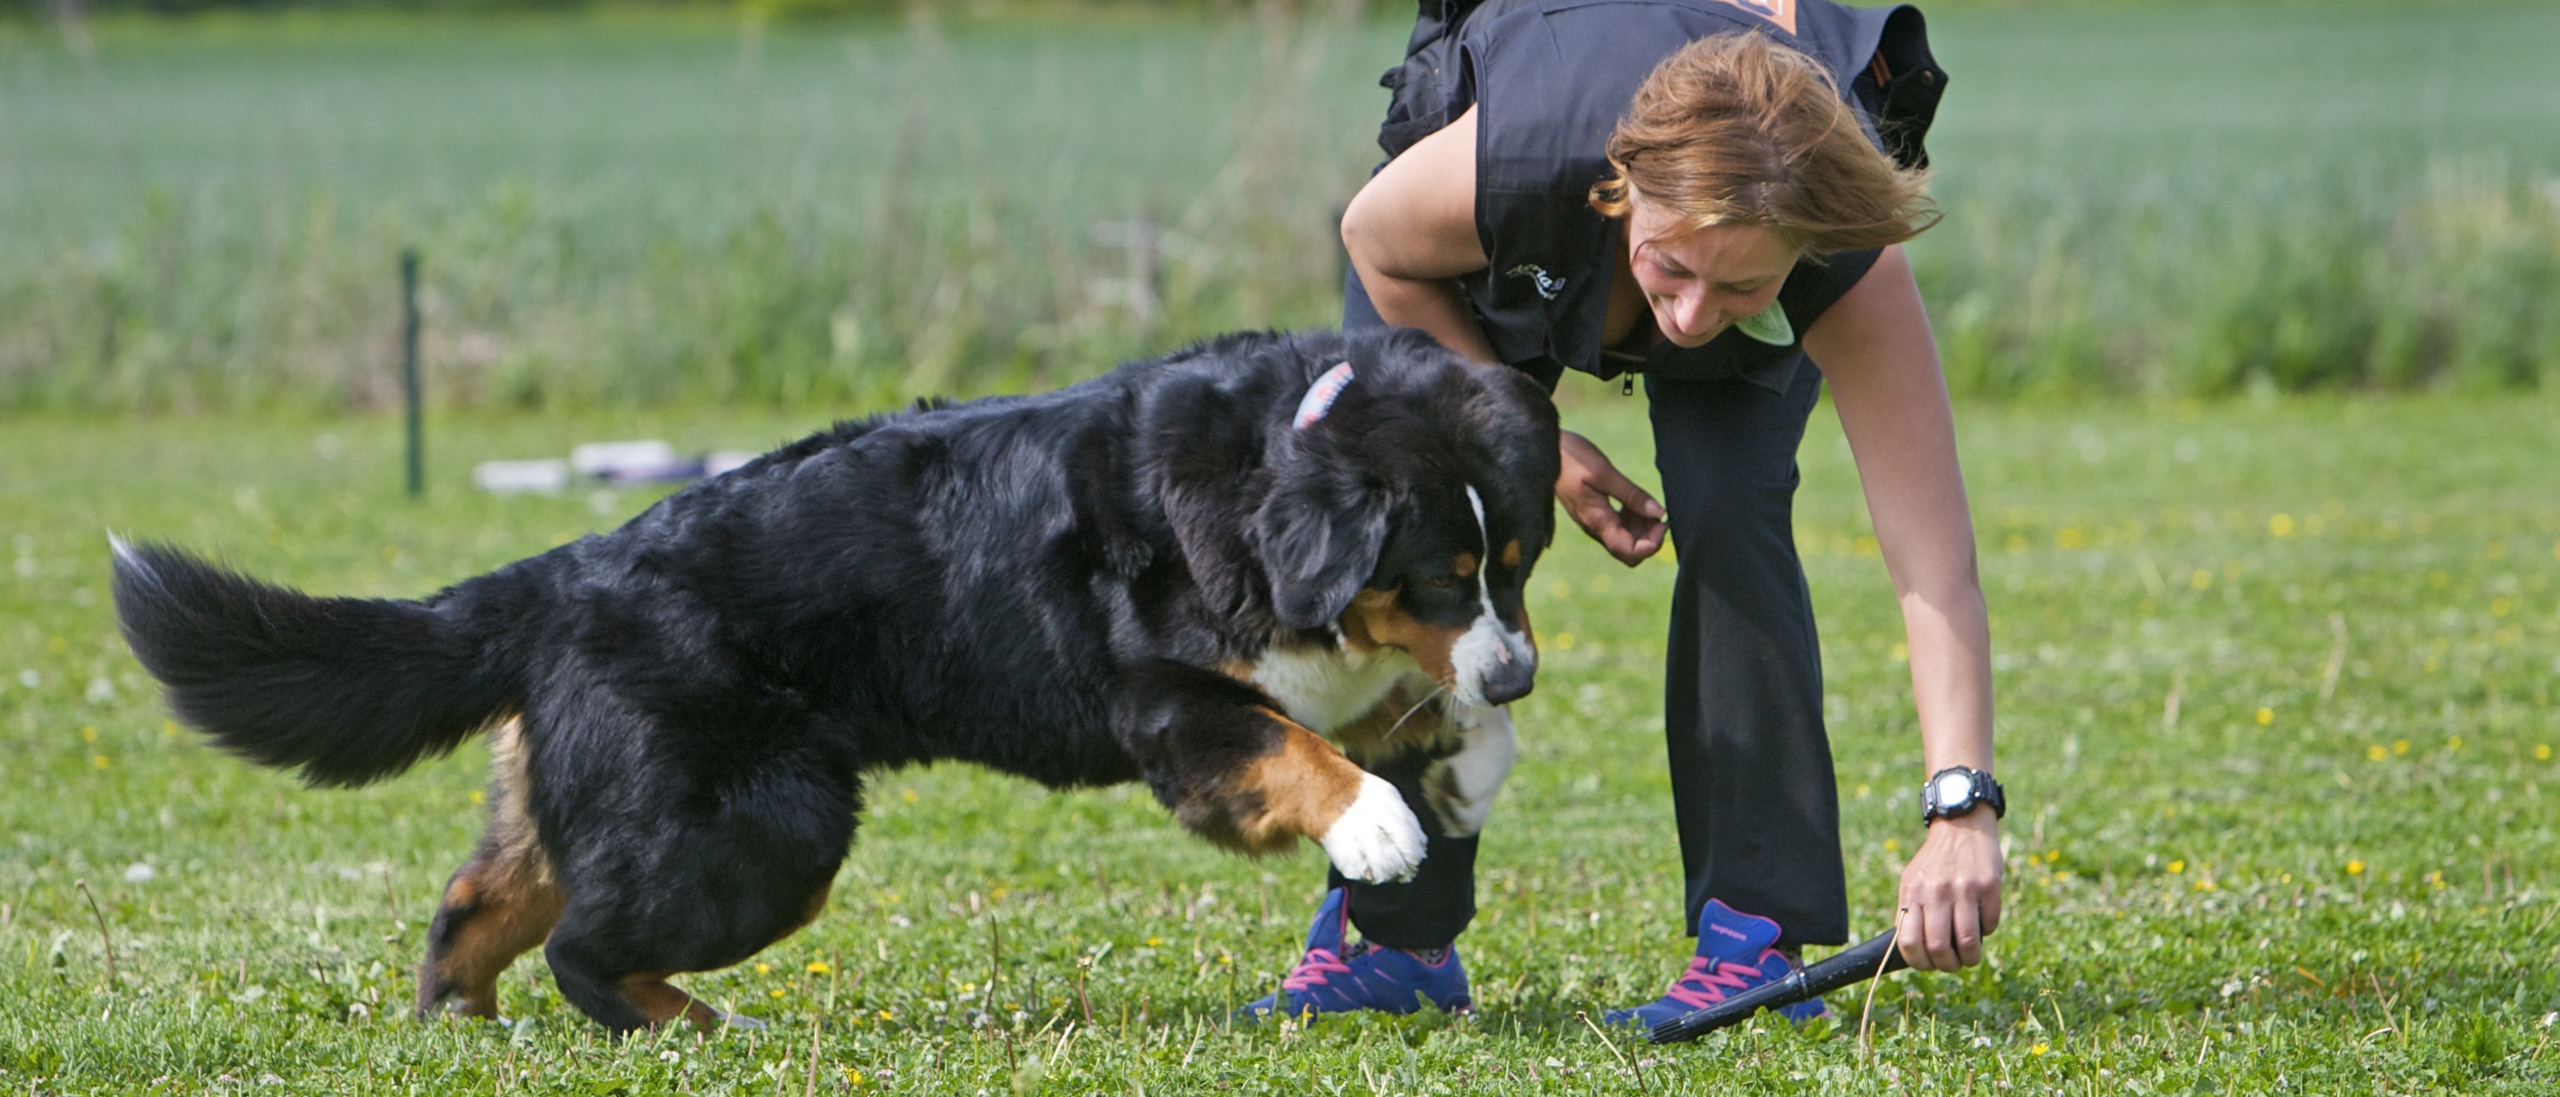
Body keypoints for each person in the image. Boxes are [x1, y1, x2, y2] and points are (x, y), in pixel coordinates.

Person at [1243, 0, 2004, 1026]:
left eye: (1739, 285)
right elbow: (1375, 245)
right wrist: (1525, 434)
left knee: (1732, 513)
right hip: (1489, 249)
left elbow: (1934, 565)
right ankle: (1393, 937)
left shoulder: (1842, 250)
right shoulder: (1520, 160)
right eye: (1671, 268)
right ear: (1620, 187)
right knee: (1430, 521)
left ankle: (1754, 936)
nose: (1686, 319)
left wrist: (1962, 808)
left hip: (1732, 212)